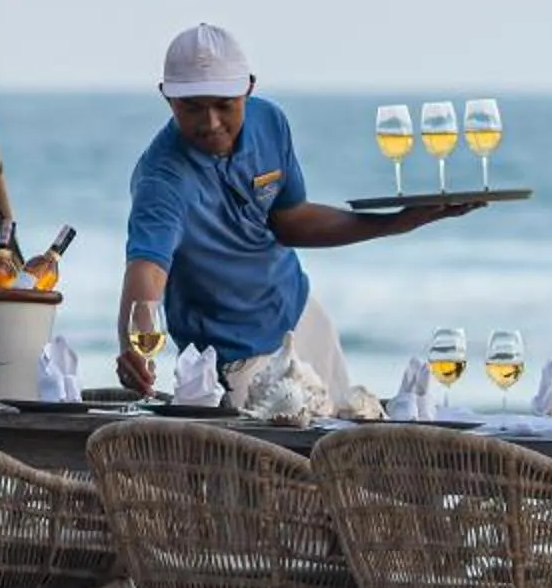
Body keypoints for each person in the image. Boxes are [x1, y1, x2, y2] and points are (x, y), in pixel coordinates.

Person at [112, 23, 478, 403]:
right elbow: (148, 270)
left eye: (224, 105)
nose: (211, 123)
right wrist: (134, 348)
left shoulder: (270, 122)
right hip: (234, 355)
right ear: (167, 97)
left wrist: (400, 221)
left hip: (301, 316)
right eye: (193, 108)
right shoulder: (162, 179)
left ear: (248, 88)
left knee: (346, 444)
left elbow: (291, 221)